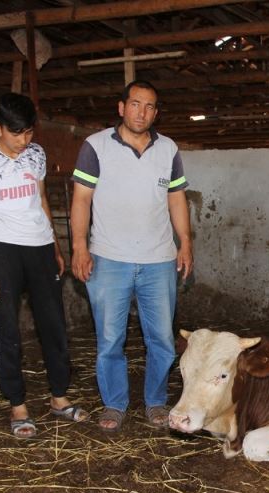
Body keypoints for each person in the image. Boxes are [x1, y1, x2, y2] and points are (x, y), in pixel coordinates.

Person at [0, 92, 88, 439]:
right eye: (16, 133)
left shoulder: (36, 154)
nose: (23, 140)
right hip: (3, 250)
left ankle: (59, 397)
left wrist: (55, 246)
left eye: (29, 132)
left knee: (54, 325)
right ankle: (17, 404)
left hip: (40, 247)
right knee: (8, 330)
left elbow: (41, 199)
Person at [70, 80, 193, 433]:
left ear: (156, 113)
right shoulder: (95, 146)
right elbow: (81, 199)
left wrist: (185, 241)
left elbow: (176, 199)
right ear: (121, 107)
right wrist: (79, 246)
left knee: (162, 339)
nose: (142, 112)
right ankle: (114, 402)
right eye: (136, 104)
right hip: (109, 257)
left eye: (150, 106)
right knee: (110, 338)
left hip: (159, 259)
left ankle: (156, 401)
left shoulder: (168, 149)